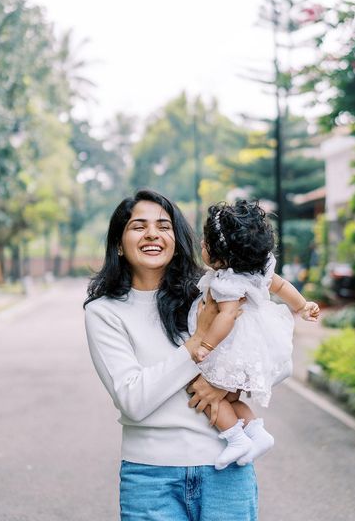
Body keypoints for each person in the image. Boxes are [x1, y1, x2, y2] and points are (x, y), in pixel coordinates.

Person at [84, 190, 259, 521]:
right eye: (139, 226)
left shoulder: (213, 293)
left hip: (226, 469)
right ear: (119, 243)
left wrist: (222, 385)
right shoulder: (104, 312)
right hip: (150, 479)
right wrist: (196, 346)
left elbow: (273, 362)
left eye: (163, 226)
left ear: (176, 239)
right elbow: (133, 401)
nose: (152, 233)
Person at [187, 200, 320, 470]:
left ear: (220, 257)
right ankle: (258, 434)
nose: (201, 244)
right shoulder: (260, 270)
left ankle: (237, 438)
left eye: (205, 243)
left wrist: (207, 345)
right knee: (230, 397)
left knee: (207, 392)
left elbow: (226, 317)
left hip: (234, 343)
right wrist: (302, 305)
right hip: (260, 339)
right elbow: (281, 285)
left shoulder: (228, 283)